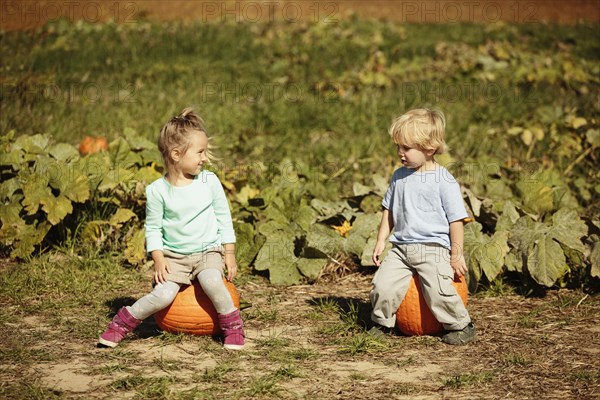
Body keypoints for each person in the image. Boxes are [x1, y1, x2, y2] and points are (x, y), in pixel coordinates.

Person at [98, 107, 244, 350]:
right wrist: (158, 259)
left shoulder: (209, 182)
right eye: (200, 152)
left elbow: (223, 218)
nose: (204, 158)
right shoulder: (157, 190)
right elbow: (153, 229)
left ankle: (233, 326)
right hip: (174, 258)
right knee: (164, 295)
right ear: (176, 154)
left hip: (208, 251)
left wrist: (229, 254)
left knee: (211, 281)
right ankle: (123, 322)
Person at [370, 108, 475, 345]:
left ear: (429, 149)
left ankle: (461, 325)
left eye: (406, 148)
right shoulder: (399, 176)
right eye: (398, 147)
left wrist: (456, 253)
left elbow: (455, 220)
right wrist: (380, 240)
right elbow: (389, 210)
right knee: (382, 285)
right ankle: (382, 323)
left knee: (439, 289)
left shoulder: (443, 180)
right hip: (401, 249)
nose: (400, 153)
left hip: (432, 248)